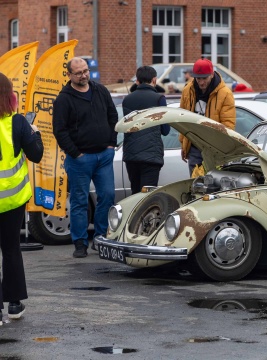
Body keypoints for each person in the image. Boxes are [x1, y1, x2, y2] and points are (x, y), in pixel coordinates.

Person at [52, 57, 118, 258]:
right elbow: (60, 130)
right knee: (80, 201)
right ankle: (80, 243)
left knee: (107, 195)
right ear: (69, 75)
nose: (84, 75)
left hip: (104, 155)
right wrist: (75, 153)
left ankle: (100, 237)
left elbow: (113, 116)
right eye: (79, 72)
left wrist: (111, 143)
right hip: (80, 159)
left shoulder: (101, 91)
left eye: (86, 71)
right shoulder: (64, 99)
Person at [0, 72, 43, 323]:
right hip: (13, 200)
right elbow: (36, 155)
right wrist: (34, 132)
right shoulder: (17, 123)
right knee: (11, 249)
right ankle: (14, 304)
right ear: (9, 97)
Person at [179, 57, 236, 176]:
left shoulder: (225, 93)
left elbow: (228, 125)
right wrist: (183, 144)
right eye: (198, 78)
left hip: (215, 148)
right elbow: (182, 119)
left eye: (204, 78)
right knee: (195, 185)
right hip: (194, 146)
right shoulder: (187, 91)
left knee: (214, 185)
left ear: (211, 74)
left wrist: (222, 150)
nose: (201, 82)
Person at [122, 66, 170, 194]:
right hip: (151, 156)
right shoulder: (159, 99)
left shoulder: (127, 99)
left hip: (131, 154)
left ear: (137, 80)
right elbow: (166, 130)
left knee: (135, 193)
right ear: (154, 80)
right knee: (147, 196)